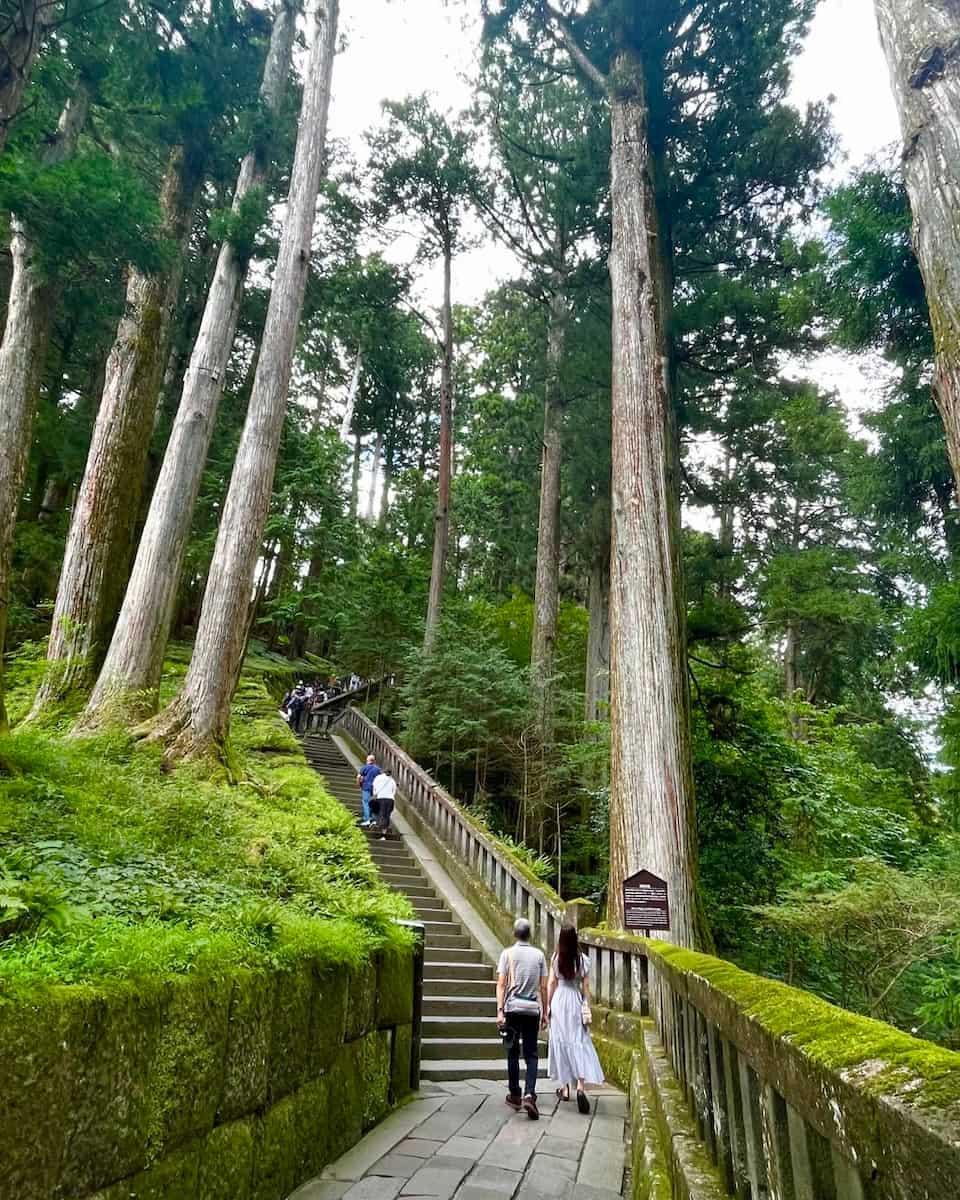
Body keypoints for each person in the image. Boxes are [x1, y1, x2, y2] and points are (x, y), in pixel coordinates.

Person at [547, 924, 604, 1114]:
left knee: (560, 1042)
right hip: (574, 1000)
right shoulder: (582, 959)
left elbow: (551, 983)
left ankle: (564, 1088)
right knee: (579, 1041)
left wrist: (548, 1005)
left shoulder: (556, 958)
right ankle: (580, 1085)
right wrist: (587, 1004)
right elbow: (586, 986)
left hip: (559, 1000)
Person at [496, 917, 548, 1120]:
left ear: (515, 934)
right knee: (531, 1053)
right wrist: (544, 1012)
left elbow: (501, 984)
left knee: (512, 1052)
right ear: (530, 934)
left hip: (512, 1009)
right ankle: (529, 1094)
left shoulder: (507, 954)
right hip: (532, 1009)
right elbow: (543, 986)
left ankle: (515, 1093)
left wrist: (500, 1011)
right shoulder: (539, 955)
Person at [372, 769, 397, 838]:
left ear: (384, 772)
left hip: (380, 798)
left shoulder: (378, 778)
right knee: (387, 815)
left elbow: (374, 786)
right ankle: (384, 833)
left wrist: (375, 794)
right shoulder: (392, 780)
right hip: (390, 799)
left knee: (380, 813)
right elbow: (394, 790)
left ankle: (378, 824)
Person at [357, 754, 381, 827]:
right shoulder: (378, 769)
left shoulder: (365, 767)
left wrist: (359, 784)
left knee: (366, 802)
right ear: (374, 761)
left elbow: (358, 776)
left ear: (368, 761)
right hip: (374, 789)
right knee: (372, 803)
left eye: (367, 760)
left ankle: (367, 819)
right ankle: (372, 819)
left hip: (366, 787)